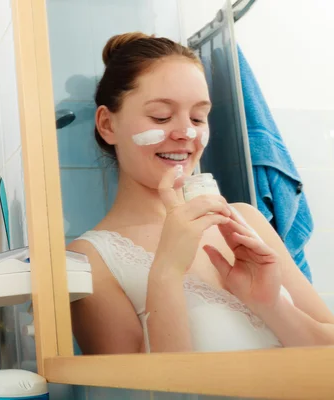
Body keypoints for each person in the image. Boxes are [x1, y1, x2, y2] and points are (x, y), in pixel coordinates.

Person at [68, 32, 334, 354]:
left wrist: (272, 304)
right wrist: (166, 270)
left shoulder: (245, 219)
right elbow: (145, 390)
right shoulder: (88, 260)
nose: (186, 133)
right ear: (108, 125)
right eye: (161, 117)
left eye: (198, 117)